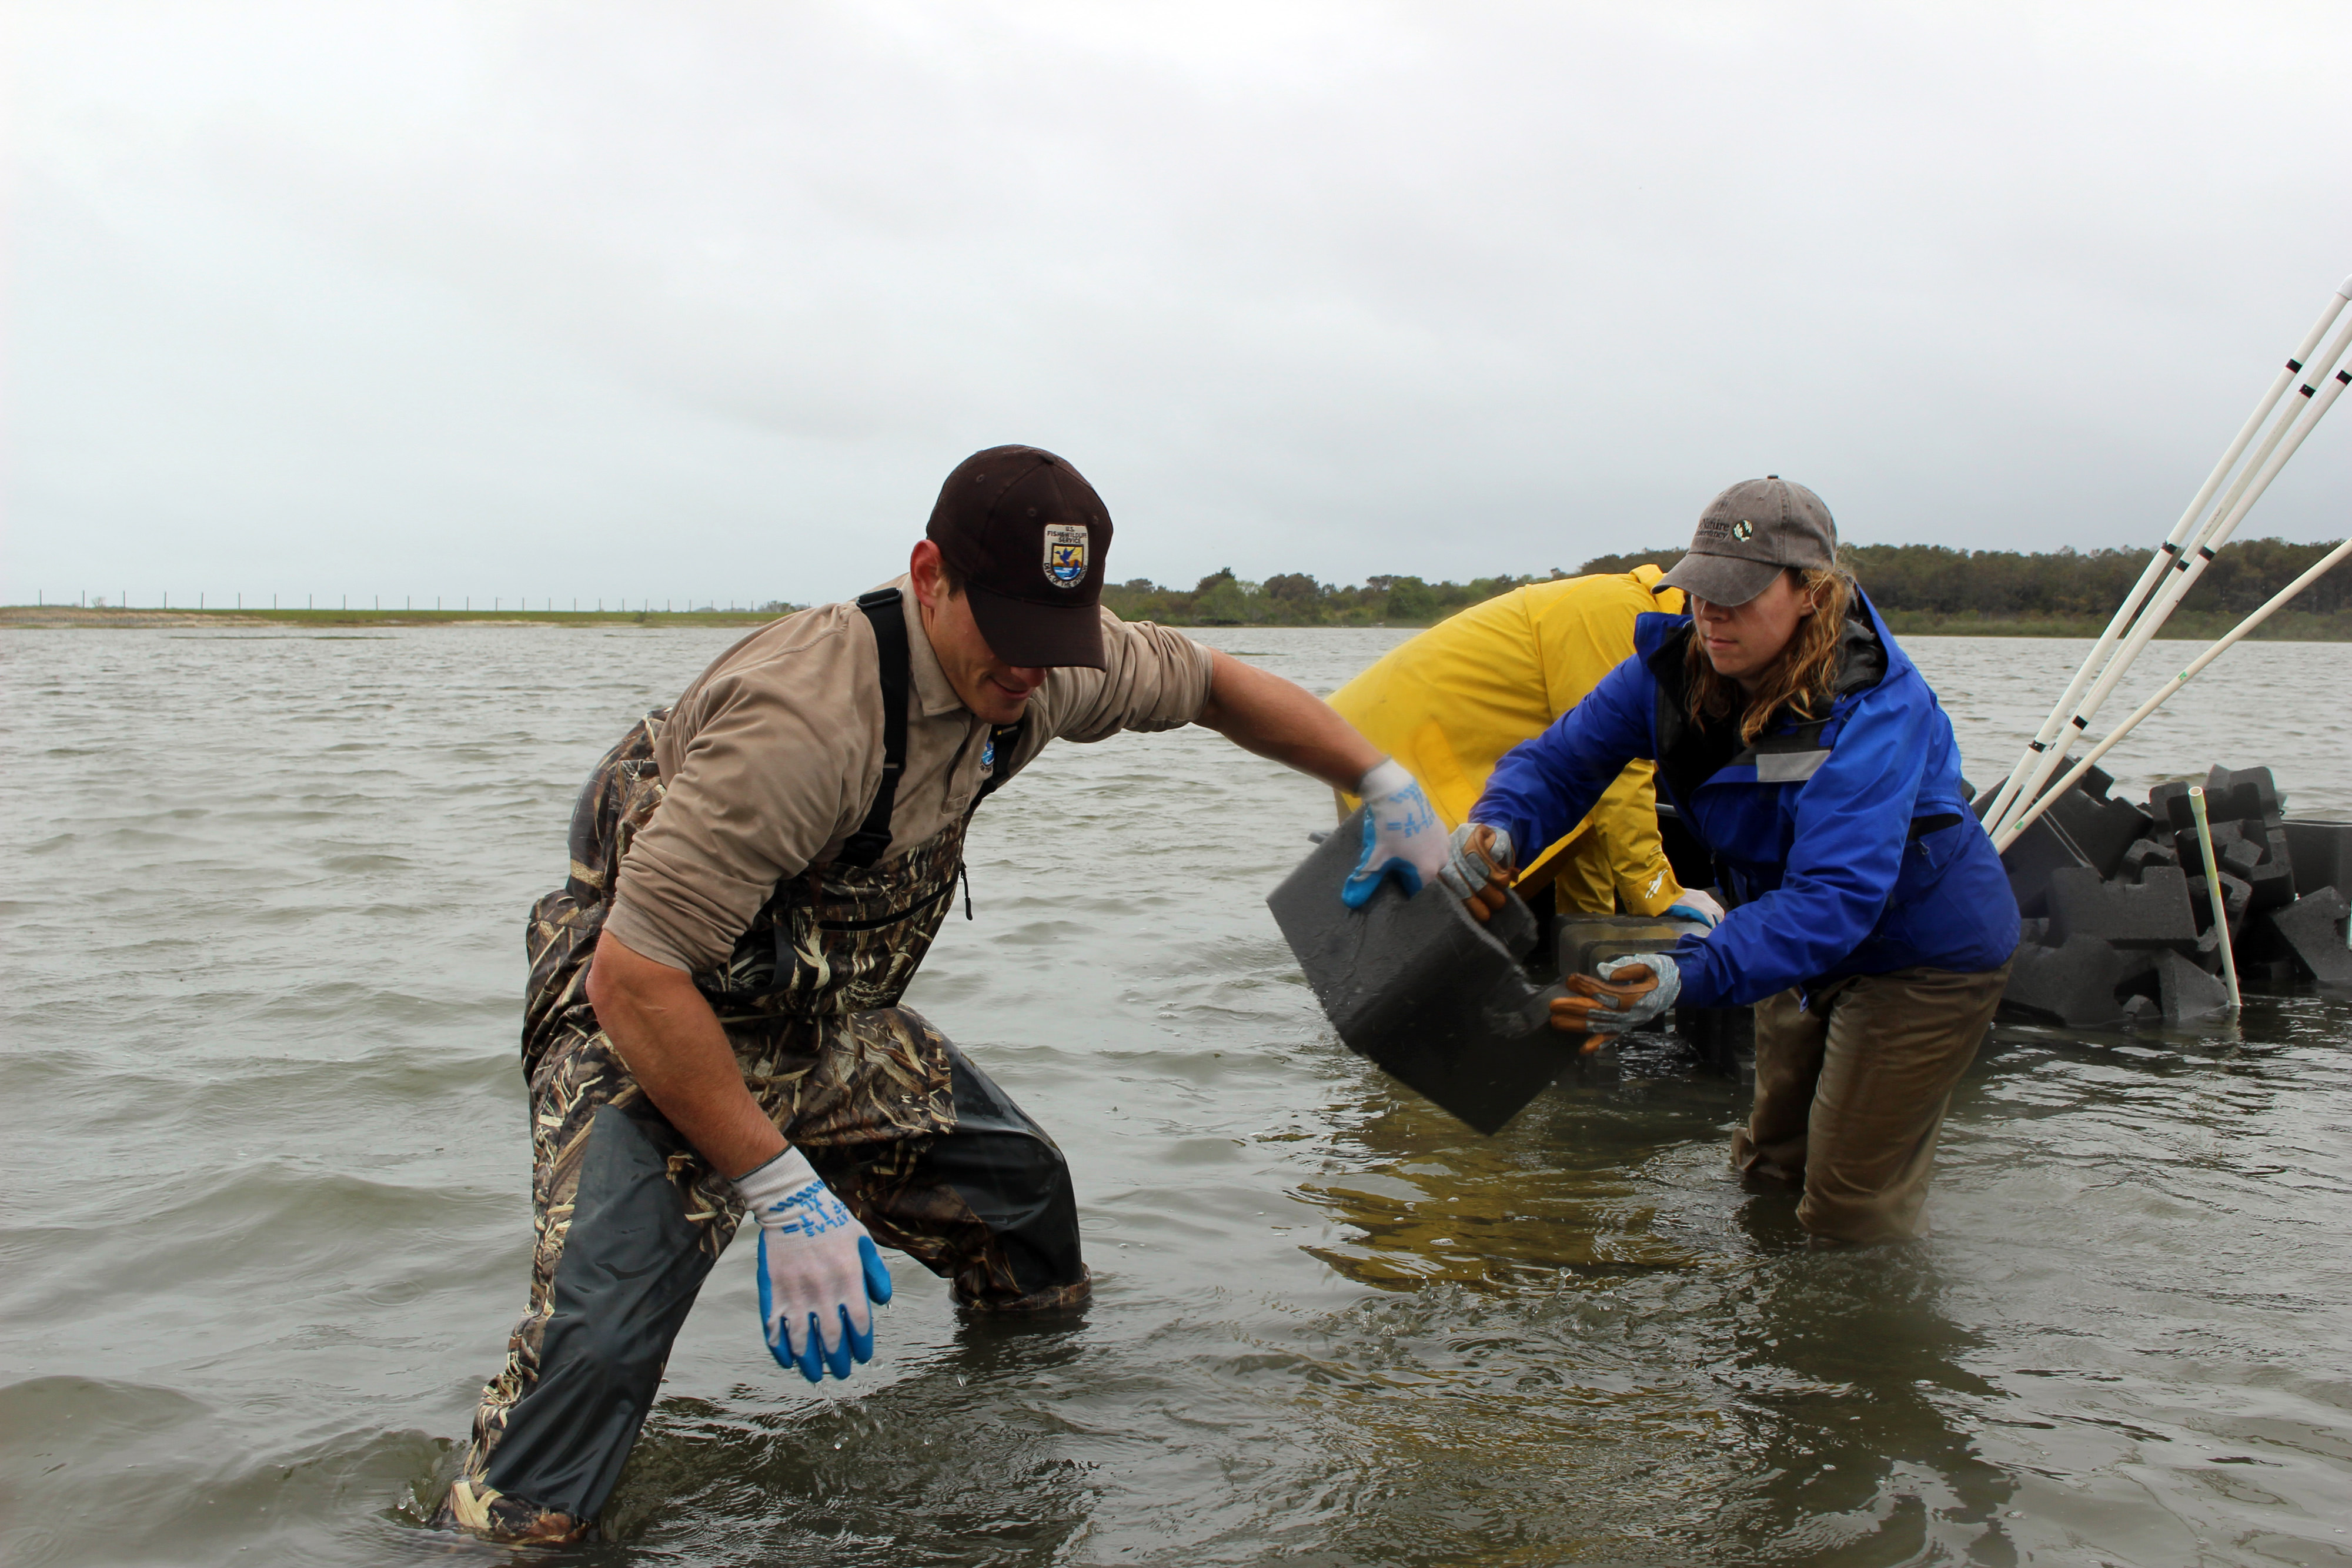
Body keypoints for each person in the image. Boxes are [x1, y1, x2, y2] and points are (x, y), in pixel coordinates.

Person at [439, 446, 1449, 1543]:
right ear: (930, 576)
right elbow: (633, 981)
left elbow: (1213, 683)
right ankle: (500, 1535)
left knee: (1024, 1214)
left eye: (1052, 641)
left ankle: (1001, 1453)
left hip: (823, 1025)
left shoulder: (1051, 661)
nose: (1027, 673)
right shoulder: (803, 723)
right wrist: (781, 1188)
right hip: (647, 1026)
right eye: (1006, 634)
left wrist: (1375, 778)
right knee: (588, 1376)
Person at [1439, 477, 2019, 1244]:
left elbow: (1837, 897)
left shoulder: (1876, 709)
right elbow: (1561, 763)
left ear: (1810, 592)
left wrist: (1688, 969)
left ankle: (1852, 1344)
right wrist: (1499, 828)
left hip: (1921, 955)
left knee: (1848, 1205)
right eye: (1701, 590)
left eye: (1738, 595)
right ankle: (1764, 1334)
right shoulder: (1671, 672)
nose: (1710, 614)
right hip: (1780, 932)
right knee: (1768, 1164)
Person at [1327, 566, 1721, 924]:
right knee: (1423, 923)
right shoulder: (1622, 611)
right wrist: (1656, 890)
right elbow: (1621, 780)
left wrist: (1589, 930)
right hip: (1389, 746)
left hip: (1375, 737)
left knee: (1405, 923)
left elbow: (1596, 792)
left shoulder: (1642, 612)